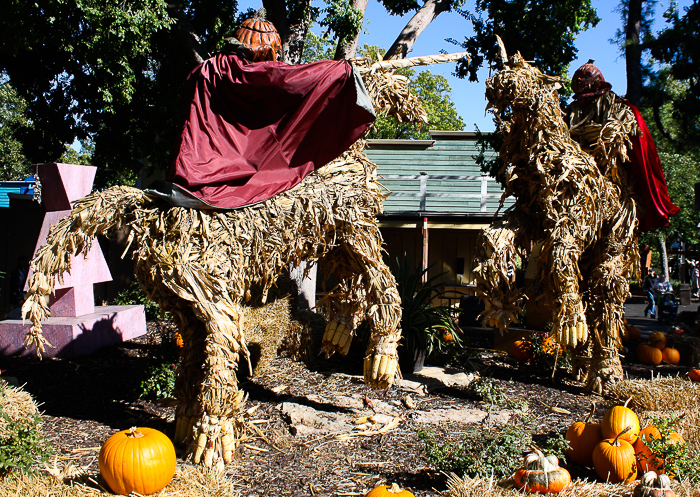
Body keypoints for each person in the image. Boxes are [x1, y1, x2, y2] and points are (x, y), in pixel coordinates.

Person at [565, 60, 679, 232]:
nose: (584, 103)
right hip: (577, 188)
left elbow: (641, 152)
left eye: (588, 98)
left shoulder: (622, 111)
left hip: (616, 193)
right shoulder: (570, 114)